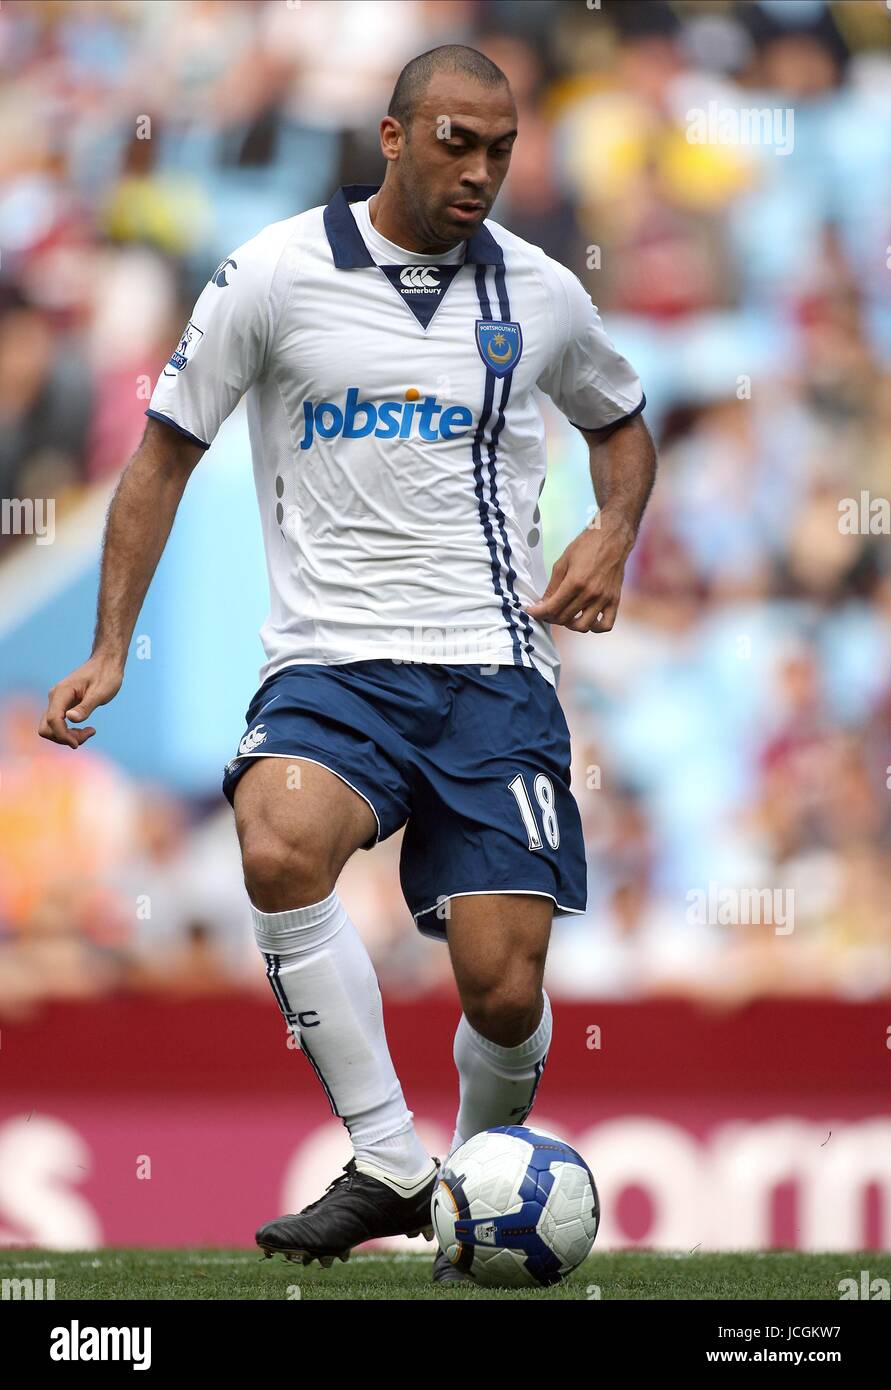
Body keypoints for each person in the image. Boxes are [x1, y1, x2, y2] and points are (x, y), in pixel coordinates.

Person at [39, 45, 656, 1283]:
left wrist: (609, 531)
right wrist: (110, 646)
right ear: (391, 134)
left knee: (502, 989)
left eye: (501, 148)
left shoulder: (541, 293)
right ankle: (385, 1156)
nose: (480, 170)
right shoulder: (271, 273)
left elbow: (622, 426)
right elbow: (160, 456)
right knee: (276, 838)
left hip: (493, 666)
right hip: (335, 661)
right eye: (455, 143)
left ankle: (469, 1202)